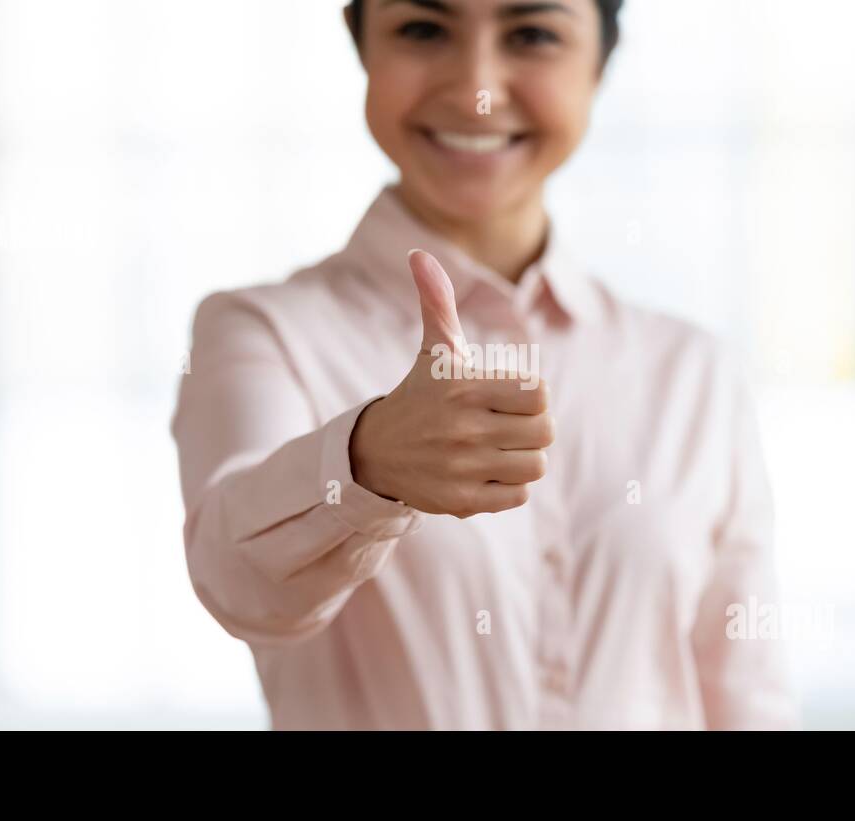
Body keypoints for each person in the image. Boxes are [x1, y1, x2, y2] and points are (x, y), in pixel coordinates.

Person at [171, 0, 798, 730]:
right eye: (422, 28)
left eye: (532, 33)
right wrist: (367, 461)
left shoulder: (691, 371)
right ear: (360, 42)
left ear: (600, 58)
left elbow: (750, 698)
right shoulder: (262, 331)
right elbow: (238, 583)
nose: (478, 86)